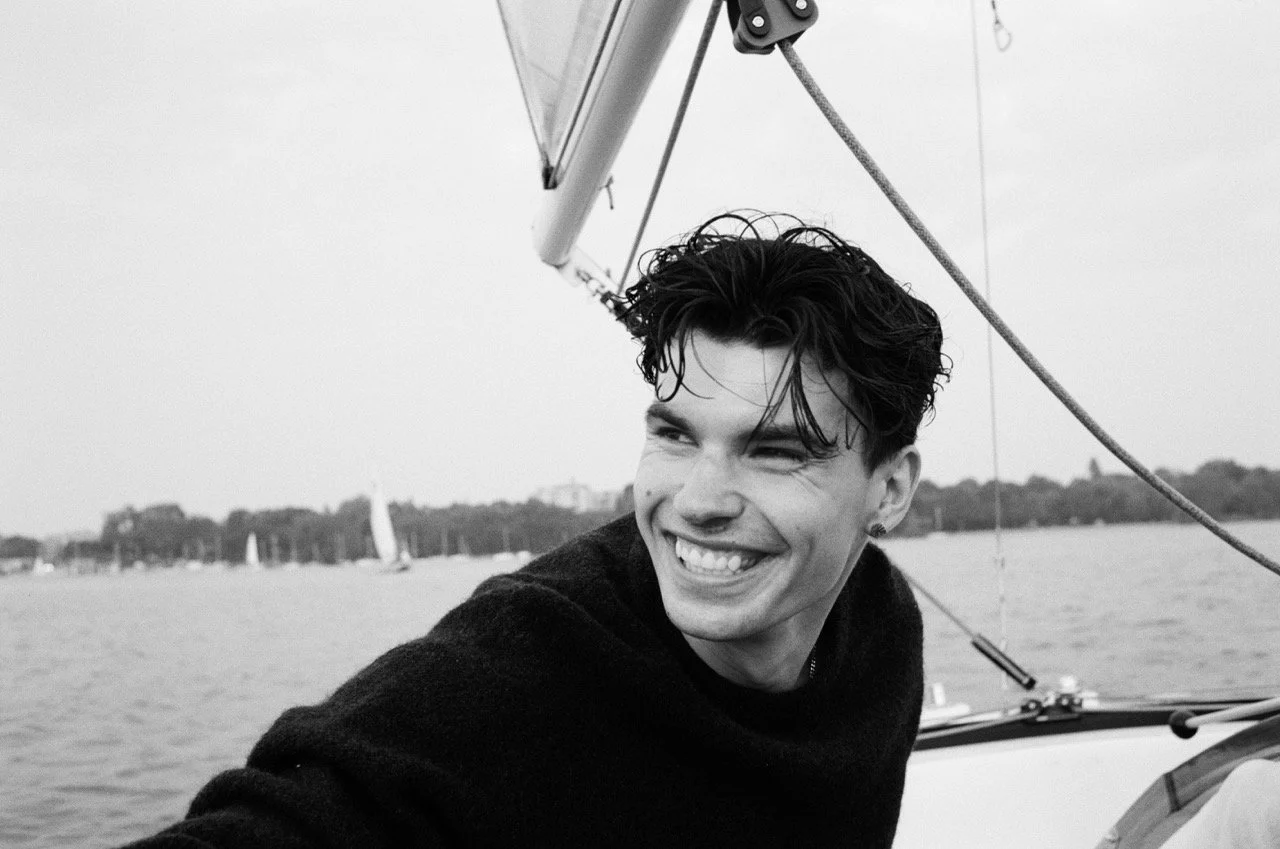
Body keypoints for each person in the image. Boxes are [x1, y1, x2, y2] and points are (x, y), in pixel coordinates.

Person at [121, 211, 948, 848]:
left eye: (775, 451)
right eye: (674, 434)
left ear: (889, 489)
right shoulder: (510, 677)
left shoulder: (879, 629)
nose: (698, 499)